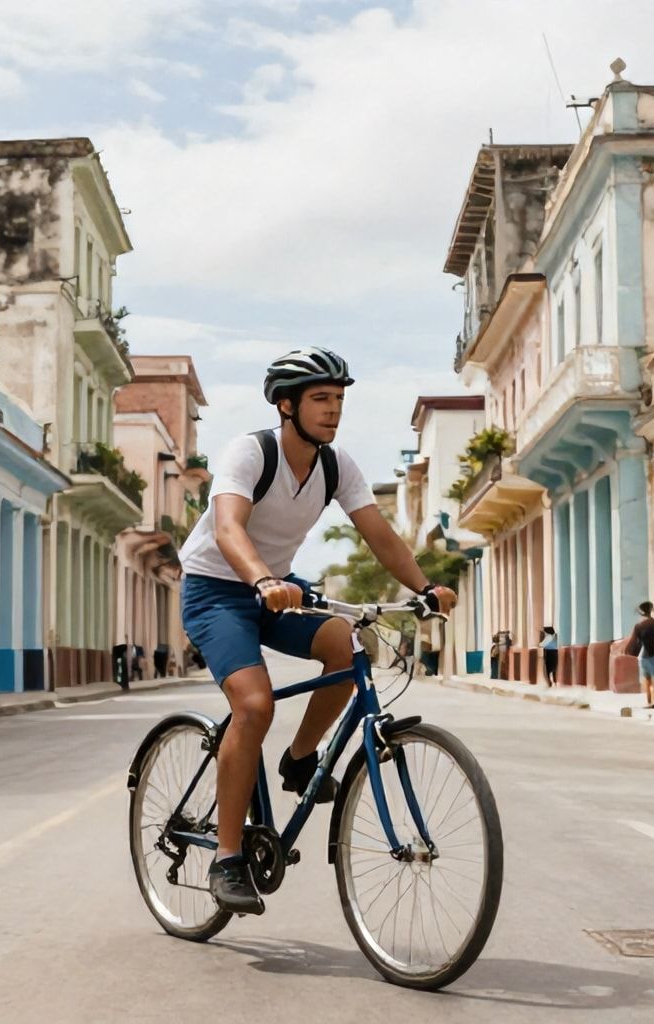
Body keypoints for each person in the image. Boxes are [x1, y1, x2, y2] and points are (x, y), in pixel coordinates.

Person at [178, 347, 458, 916]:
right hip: (219, 588)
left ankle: (300, 759)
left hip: (278, 588)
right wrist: (260, 579)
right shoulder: (251, 452)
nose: (334, 411)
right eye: (321, 399)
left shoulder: (336, 465)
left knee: (344, 645)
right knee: (253, 707)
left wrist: (424, 588)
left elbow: (378, 534)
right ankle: (226, 858)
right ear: (287, 405)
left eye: (339, 400)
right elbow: (229, 526)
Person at [624, 602, 654, 709]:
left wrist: (626, 651)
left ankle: (649, 702)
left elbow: (634, 642)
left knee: (648, 681)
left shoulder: (639, 626)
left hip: (645, 658)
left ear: (641, 613)